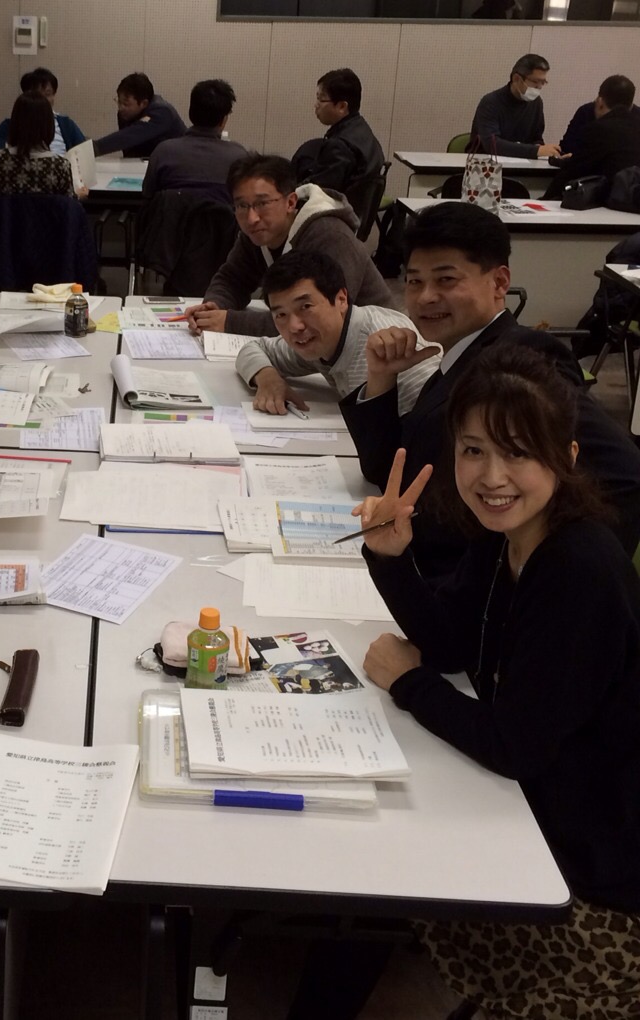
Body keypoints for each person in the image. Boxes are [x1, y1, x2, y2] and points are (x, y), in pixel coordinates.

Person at [356, 345, 640, 1019]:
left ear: (566, 457)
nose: (492, 476)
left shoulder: (577, 570)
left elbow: (516, 746)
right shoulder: (505, 532)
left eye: (518, 452)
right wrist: (390, 558)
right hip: (541, 817)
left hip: (597, 887)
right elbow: (453, 640)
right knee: (376, 862)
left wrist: (409, 684)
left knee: (381, 874)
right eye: (473, 451)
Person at [340, 200, 640, 579]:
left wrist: (533, 577)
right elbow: (389, 472)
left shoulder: (521, 361)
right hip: (420, 567)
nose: (425, 296)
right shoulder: (456, 358)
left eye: (446, 280)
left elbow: (626, 479)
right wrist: (382, 377)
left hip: (461, 588)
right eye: (414, 281)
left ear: (499, 283)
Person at [185, 153, 394, 337]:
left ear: (291, 202)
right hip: (316, 350)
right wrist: (214, 307)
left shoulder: (329, 235)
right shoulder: (258, 233)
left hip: (379, 344)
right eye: (242, 205)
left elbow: (320, 318)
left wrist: (230, 322)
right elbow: (232, 279)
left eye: (262, 203)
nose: (251, 218)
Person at [235, 251, 438, 415]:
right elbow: (254, 348)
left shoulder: (392, 350)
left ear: (341, 299)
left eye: (305, 307)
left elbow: (437, 426)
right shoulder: (319, 341)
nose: (295, 326)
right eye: (281, 314)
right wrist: (268, 378)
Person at [141, 79, 248, 203]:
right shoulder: (239, 158)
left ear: (191, 112)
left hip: (173, 216)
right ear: (223, 120)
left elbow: (148, 195)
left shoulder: (163, 152)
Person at [544, 75, 640, 200]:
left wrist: (545, 199)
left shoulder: (599, 129)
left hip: (608, 200)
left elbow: (572, 171)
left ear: (600, 102)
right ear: (631, 105)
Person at [294, 68, 384, 194]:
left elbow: (318, 192)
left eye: (321, 100)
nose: (316, 105)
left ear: (342, 106)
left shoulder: (340, 146)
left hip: (339, 205)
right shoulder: (363, 130)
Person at [0, 92, 78, 198]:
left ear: (15, 122)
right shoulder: (60, 166)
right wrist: (79, 195)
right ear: (48, 125)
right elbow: (68, 204)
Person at [470, 53, 561, 158]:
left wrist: (543, 149)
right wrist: (535, 150)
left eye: (543, 82)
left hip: (523, 162)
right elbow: (492, 144)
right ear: (516, 78)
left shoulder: (536, 102)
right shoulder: (490, 102)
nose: (539, 87)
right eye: (535, 81)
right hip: (485, 162)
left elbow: (536, 138)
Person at [0, 67, 86, 158]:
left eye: (47, 94)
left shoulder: (66, 125)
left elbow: (85, 152)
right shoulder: (9, 125)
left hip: (60, 168)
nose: (42, 100)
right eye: (37, 95)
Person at [92, 72, 185, 159]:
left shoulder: (162, 112)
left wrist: (95, 147)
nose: (121, 108)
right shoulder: (124, 114)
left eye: (126, 104)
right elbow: (128, 149)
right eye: (119, 102)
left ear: (143, 103)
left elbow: (130, 136)